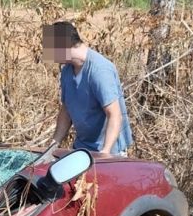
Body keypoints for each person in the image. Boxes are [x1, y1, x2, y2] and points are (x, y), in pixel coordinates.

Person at [41, 21, 132, 156]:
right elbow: (66, 111)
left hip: (110, 153)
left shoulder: (99, 70)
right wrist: (52, 146)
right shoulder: (67, 71)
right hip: (82, 149)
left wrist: (105, 153)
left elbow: (114, 114)